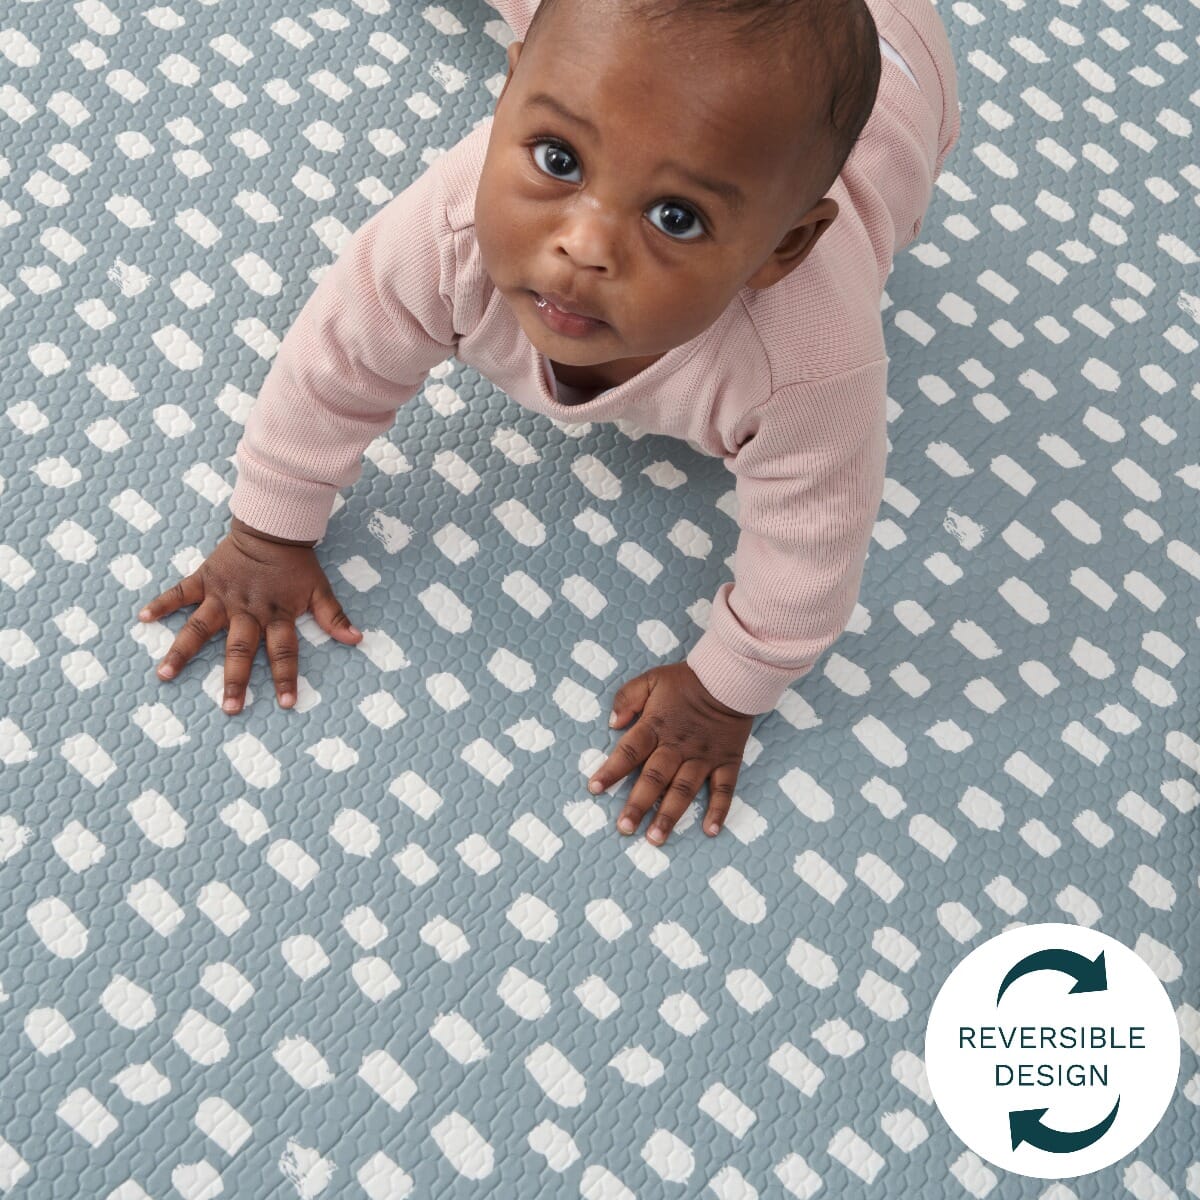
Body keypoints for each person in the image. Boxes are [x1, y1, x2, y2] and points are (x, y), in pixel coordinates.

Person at [136, 0, 960, 846]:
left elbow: (812, 547)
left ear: (784, 247)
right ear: (507, 91)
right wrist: (269, 531)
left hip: (898, 52)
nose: (585, 245)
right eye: (559, 159)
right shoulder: (452, 228)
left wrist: (726, 692)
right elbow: (340, 356)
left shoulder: (810, 368)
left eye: (675, 217)